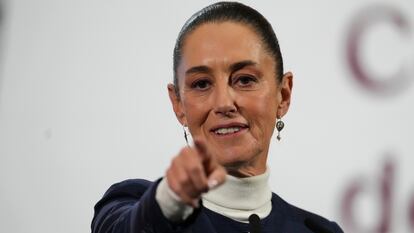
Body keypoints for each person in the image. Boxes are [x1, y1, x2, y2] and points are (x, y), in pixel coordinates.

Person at [91, 2, 343, 233]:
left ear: (283, 95)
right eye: (201, 84)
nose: (223, 103)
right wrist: (169, 202)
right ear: (178, 103)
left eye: (245, 80)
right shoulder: (131, 203)